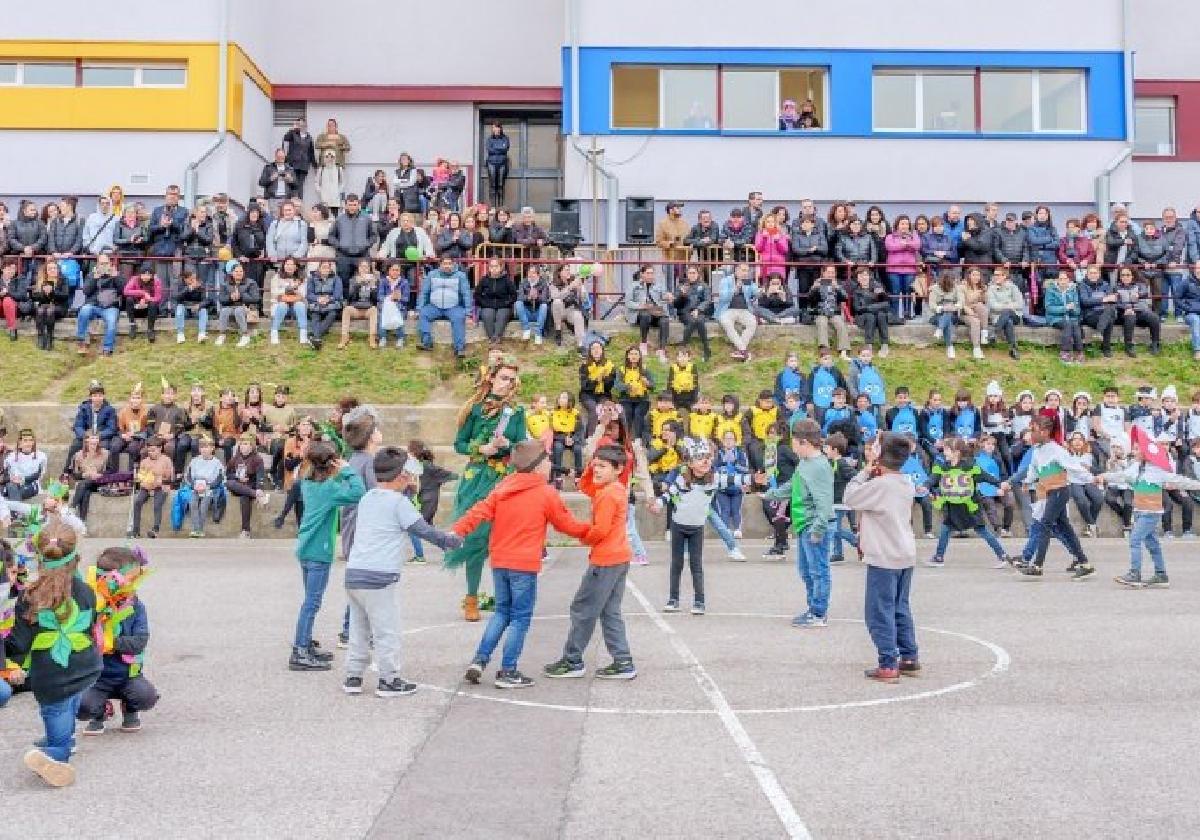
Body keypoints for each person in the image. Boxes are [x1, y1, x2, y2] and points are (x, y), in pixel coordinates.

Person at [450, 439, 588, 688]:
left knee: (502, 612)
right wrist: (594, 533)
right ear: (536, 467)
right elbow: (567, 524)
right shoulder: (546, 493)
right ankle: (508, 671)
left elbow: (479, 511)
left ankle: (479, 660)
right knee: (520, 617)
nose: (550, 465)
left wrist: (457, 531)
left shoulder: (503, 487)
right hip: (523, 564)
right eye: (546, 460)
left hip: (500, 560)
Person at [341, 448, 462, 696]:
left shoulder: (367, 498)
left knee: (358, 627)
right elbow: (424, 530)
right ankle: (389, 680)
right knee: (387, 630)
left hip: (355, 573)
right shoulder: (399, 503)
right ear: (401, 476)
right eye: (408, 474)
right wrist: (451, 541)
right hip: (380, 576)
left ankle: (353, 676)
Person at [7, 523, 101, 787]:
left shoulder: (32, 596)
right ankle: (64, 740)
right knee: (70, 699)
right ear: (75, 555)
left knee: (56, 708)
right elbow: (91, 624)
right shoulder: (86, 592)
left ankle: (57, 755)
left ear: (39, 556)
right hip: (86, 665)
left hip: (52, 676)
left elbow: (19, 645)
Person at [542, 443, 638, 681]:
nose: (596, 470)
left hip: (605, 560)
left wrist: (582, 536)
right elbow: (586, 485)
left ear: (618, 469)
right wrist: (591, 463)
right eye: (595, 465)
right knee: (610, 611)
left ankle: (573, 660)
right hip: (619, 557)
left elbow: (600, 530)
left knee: (583, 609)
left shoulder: (607, 494)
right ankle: (623, 661)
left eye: (602, 466)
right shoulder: (614, 488)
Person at [445, 360, 527, 621]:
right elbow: (459, 444)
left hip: (504, 478)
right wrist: (480, 449)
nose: (507, 383)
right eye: (503, 377)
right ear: (491, 378)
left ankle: (503, 598)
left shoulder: (516, 412)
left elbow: (523, 447)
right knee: (476, 539)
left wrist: (509, 443)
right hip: (477, 477)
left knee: (504, 540)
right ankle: (471, 597)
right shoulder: (475, 408)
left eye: (512, 380)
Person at [289, 442, 365, 671]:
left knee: (309, 601)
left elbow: (337, 488)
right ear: (330, 464)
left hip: (305, 549)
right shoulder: (330, 489)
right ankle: (300, 651)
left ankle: (306, 644)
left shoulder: (308, 483)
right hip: (318, 552)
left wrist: (337, 472)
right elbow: (358, 492)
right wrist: (348, 470)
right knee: (312, 603)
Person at [1099, 427, 1200, 588]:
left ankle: (1135, 573)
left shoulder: (1156, 471)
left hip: (1150, 513)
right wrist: (1103, 477)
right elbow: (1122, 476)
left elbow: (1180, 480)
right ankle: (1161, 575)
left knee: (1135, 539)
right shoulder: (1135, 468)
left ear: (1147, 452)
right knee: (1152, 544)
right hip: (1139, 512)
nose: (1134, 451)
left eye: (1138, 449)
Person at [78, 546, 158, 735]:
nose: (134, 584)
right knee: (80, 706)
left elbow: (140, 641)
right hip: (95, 677)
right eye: (130, 579)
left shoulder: (136, 606)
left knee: (146, 696)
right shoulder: (91, 606)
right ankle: (100, 711)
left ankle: (130, 708)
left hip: (127, 674)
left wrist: (112, 643)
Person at [765, 419, 834, 628]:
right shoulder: (804, 464)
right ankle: (812, 608)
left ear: (804, 442)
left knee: (819, 570)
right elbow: (792, 486)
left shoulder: (820, 466)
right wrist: (769, 494)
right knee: (806, 571)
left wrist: (819, 528)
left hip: (815, 526)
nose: (792, 447)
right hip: (803, 524)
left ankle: (818, 613)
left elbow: (824, 501)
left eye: (794, 442)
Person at [1016, 416, 1096, 579]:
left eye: (1034, 430)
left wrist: (1091, 477)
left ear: (1044, 432)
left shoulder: (1056, 450)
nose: (1030, 433)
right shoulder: (1038, 449)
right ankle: (1085, 563)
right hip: (1050, 491)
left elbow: (1073, 466)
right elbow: (1034, 468)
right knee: (1065, 527)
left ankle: (1037, 566)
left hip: (1060, 491)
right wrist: (1027, 481)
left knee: (1045, 524)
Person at [654, 438, 720, 614]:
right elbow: (668, 495)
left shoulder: (715, 478)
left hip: (697, 527)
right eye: (699, 457)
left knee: (696, 565)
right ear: (690, 462)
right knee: (676, 564)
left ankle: (699, 601)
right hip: (678, 526)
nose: (705, 460)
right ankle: (673, 599)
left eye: (707, 456)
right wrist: (658, 504)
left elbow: (735, 479)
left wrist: (752, 478)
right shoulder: (682, 480)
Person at [417, 256, 472, 357]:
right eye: (444, 264)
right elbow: (424, 292)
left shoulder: (460, 276)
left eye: (449, 263)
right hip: (434, 307)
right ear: (440, 264)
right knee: (423, 314)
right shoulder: (432, 274)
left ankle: (459, 349)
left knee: (459, 318)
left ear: (453, 264)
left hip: (454, 307)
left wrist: (468, 313)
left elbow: (466, 294)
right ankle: (426, 343)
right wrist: (419, 308)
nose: (447, 266)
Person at [75, 262, 125, 357]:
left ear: (110, 264)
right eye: (102, 264)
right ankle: (82, 342)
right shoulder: (92, 275)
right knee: (84, 310)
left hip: (110, 306)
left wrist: (116, 277)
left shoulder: (116, 274)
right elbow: (86, 291)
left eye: (106, 263)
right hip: (94, 305)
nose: (104, 266)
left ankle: (107, 349)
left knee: (111, 322)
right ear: (97, 265)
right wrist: (94, 278)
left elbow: (123, 291)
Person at [626, 264, 671, 363]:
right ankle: (643, 344)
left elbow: (663, 298)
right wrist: (641, 306)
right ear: (642, 274)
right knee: (645, 314)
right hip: (640, 315)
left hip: (655, 313)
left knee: (665, 320)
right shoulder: (634, 286)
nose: (650, 276)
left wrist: (667, 297)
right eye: (648, 273)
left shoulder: (659, 286)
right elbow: (628, 302)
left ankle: (661, 350)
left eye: (652, 273)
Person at [1112, 266, 1162, 357]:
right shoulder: (1116, 287)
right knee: (1130, 316)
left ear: (1132, 276)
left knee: (1154, 317)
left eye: (1128, 275)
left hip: (1139, 311)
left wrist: (1138, 295)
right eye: (1123, 275)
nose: (1125, 277)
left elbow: (1144, 293)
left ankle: (1155, 344)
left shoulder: (1140, 285)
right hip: (1124, 312)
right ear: (1120, 277)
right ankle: (1129, 346)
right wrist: (1126, 308)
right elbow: (1116, 303)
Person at [715, 262, 759, 361]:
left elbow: (755, 293)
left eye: (747, 271)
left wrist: (760, 292)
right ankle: (743, 350)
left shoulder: (748, 282)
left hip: (744, 310)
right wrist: (735, 289)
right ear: (736, 270)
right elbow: (723, 298)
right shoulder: (725, 281)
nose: (745, 273)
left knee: (752, 322)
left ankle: (740, 351)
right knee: (726, 323)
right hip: (727, 310)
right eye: (743, 270)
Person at [214, 261, 260, 348]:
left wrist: (241, 296)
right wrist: (230, 297)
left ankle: (245, 335)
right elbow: (221, 299)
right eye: (236, 271)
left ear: (244, 272)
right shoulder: (225, 284)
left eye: (241, 271)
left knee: (239, 310)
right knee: (224, 311)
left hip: (246, 307)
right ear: (232, 273)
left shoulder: (251, 283)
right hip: (231, 306)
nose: (239, 273)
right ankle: (222, 335)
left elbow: (256, 298)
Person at [809, 265, 850, 358]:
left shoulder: (838, 283)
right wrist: (814, 289)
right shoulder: (817, 283)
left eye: (833, 272)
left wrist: (838, 288)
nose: (831, 275)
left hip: (834, 312)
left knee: (840, 324)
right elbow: (810, 299)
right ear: (823, 273)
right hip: (820, 311)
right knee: (822, 322)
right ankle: (824, 350)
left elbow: (845, 297)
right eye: (829, 272)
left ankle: (843, 351)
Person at [849, 266, 891, 356]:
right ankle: (869, 345)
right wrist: (871, 309)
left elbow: (886, 304)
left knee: (881, 315)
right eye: (860, 276)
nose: (863, 278)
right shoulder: (856, 291)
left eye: (865, 275)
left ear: (869, 276)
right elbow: (857, 308)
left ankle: (884, 344)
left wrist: (870, 307)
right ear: (857, 279)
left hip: (878, 315)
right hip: (863, 316)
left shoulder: (877, 287)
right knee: (870, 316)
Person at [1044, 268, 1083, 364]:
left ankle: (1079, 352)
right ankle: (1065, 352)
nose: (1063, 281)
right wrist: (1065, 308)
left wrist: (1073, 308)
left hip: (1071, 317)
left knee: (1075, 324)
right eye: (1060, 279)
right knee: (1068, 324)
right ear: (1056, 280)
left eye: (1065, 279)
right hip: (1055, 318)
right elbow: (1049, 308)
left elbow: (1078, 310)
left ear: (1068, 280)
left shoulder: (1073, 290)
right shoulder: (1051, 290)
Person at [475, 257, 517, 345]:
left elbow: (514, 295)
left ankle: (496, 338)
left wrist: (506, 303)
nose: (494, 269)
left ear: (501, 267)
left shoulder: (506, 280)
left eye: (496, 266)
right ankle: (492, 338)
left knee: (501, 316)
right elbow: (477, 295)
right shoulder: (484, 280)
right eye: (491, 266)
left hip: (503, 305)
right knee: (487, 315)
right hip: (488, 304)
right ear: (489, 268)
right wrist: (484, 303)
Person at [986, 267, 1023, 359]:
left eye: (998, 275)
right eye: (995, 275)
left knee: (1008, 312)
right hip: (997, 317)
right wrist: (1008, 304)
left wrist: (1004, 306)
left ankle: (995, 332)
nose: (995, 277)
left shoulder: (1013, 287)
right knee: (1008, 322)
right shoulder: (991, 289)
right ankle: (1013, 349)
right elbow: (993, 306)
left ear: (1004, 276)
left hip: (1015, 315)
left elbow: (1020, 304)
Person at [122, 264, 162, 343]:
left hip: (149, 309)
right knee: (129, 299)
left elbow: (158, 298)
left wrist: (147, 300)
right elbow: (126, 291)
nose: (146, 277)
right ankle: (132, 325)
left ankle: (150, 329)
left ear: (152, 275)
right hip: (137, 307)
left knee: (153, 304)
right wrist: (143, 293)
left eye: (149, 275)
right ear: (140, 274)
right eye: (144, 274)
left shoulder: (156, 281)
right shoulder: (134, 279)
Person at [282, 117, 317, 199]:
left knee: (300, 186)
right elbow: (285, 138)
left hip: (303, 165)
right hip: (292, 164)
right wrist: (293, 129)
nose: (301, 126)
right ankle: (290, 203)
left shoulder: (309, 137)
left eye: (302, 124)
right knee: (291, 183)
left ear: (306, 125)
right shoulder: (293, 134)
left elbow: (311, 152)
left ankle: (299, 204)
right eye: (299, 124)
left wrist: (315, 166)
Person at [514, 264, 550, 345]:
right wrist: (529, 297)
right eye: (529, 272)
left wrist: (537, 297)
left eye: (533, 273)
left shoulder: (543, 283)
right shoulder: (523, 282)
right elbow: (519, 297)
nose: (531, 275)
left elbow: (545, 299)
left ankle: (538, 333)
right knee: (518, 303)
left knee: (544, 306)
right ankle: (526, 329)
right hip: (527, 313)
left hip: (538, 313)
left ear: (538, 274)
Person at [258, 148, 299, 214]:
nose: (281, 159)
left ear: (285, 157)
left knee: (284, 217)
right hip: (272, 198)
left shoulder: (290, 169)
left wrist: (290, 179)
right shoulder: (268, 167)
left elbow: (296, 185)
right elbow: (261, 182)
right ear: (275, 157)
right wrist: (271, 178)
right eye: (279, 157)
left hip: (286, 198)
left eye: (282, 157)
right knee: (273, 217)